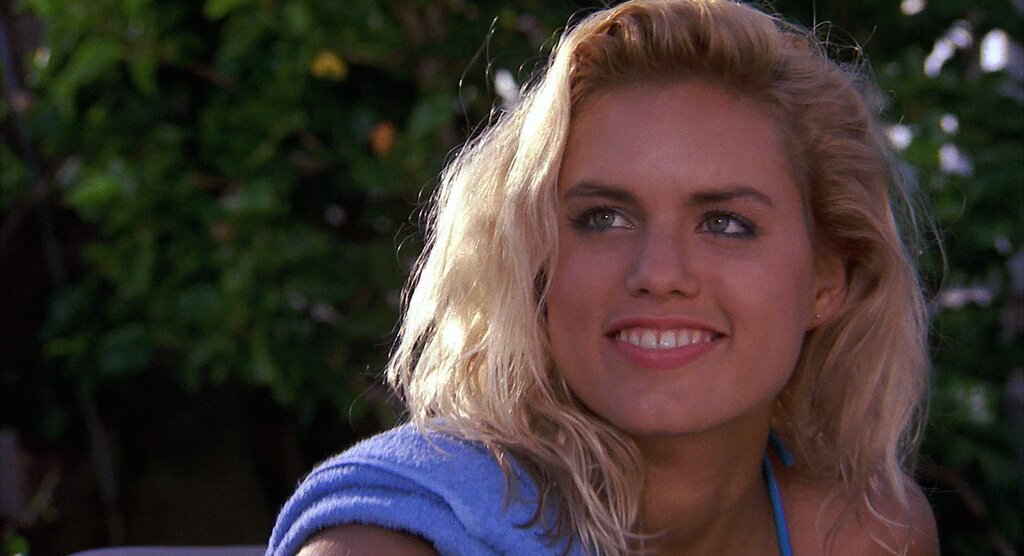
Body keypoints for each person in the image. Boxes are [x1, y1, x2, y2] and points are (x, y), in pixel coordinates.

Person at [266, 0, 940, 554]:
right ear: (533, 260)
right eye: (604, 218)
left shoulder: (869, 535)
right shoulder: (388, 542)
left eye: (725, 223)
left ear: (828, 280)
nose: (659, 274)